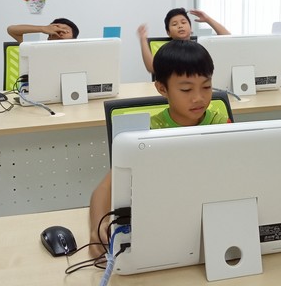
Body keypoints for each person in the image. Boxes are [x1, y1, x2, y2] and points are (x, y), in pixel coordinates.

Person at [88, 40, 230, 257]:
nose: (199, 98)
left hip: (210, 221)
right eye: (186, 89)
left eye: (206, 86)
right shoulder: (147, 132)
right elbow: (104, 189)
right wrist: (97, 227)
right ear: (162, 88)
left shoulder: (221, 125)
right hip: (163, 223)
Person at [137, 8, 230, 74]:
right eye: (174, 24)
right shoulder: (167, 51)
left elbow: (228, 39)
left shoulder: (200, 45)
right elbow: (152, 68)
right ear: (168, 32)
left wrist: (208, 19)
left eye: (183, 22)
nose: (180, 26)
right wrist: (143, 40)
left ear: (191, 28)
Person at [6, 18, 79, 44]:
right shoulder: (36, 46)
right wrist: (42, 28)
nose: (60, 32)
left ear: (74, 37)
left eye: (65, 30)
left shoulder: (81, 51)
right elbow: (11, 30)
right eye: (56, 30)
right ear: (49, 37)